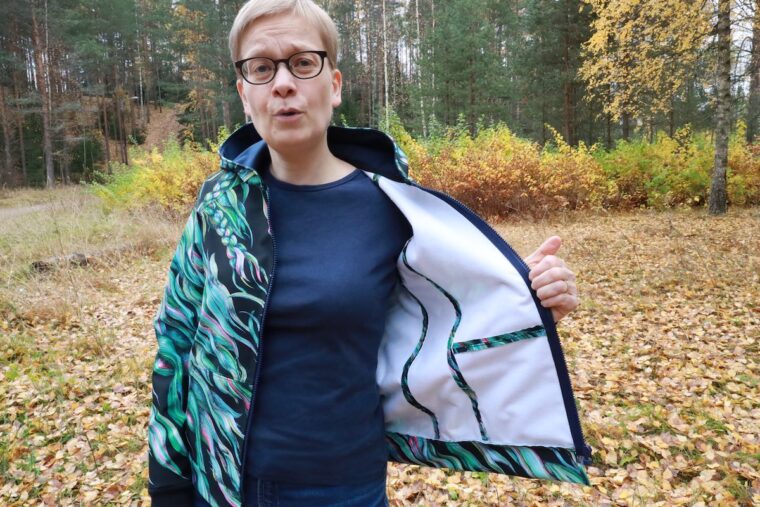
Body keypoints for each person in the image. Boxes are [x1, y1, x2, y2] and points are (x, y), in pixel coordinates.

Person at [147, 1, 589, 506]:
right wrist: (169, 486)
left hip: (346, 487)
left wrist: (532, 297)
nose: (283, 84)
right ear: (245, 94)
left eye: (302, 62)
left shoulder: (394, 207)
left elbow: (449, 317)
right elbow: (175, 348)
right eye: (262, 68)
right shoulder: (217, 208)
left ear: (333, 85)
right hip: (225, 486)